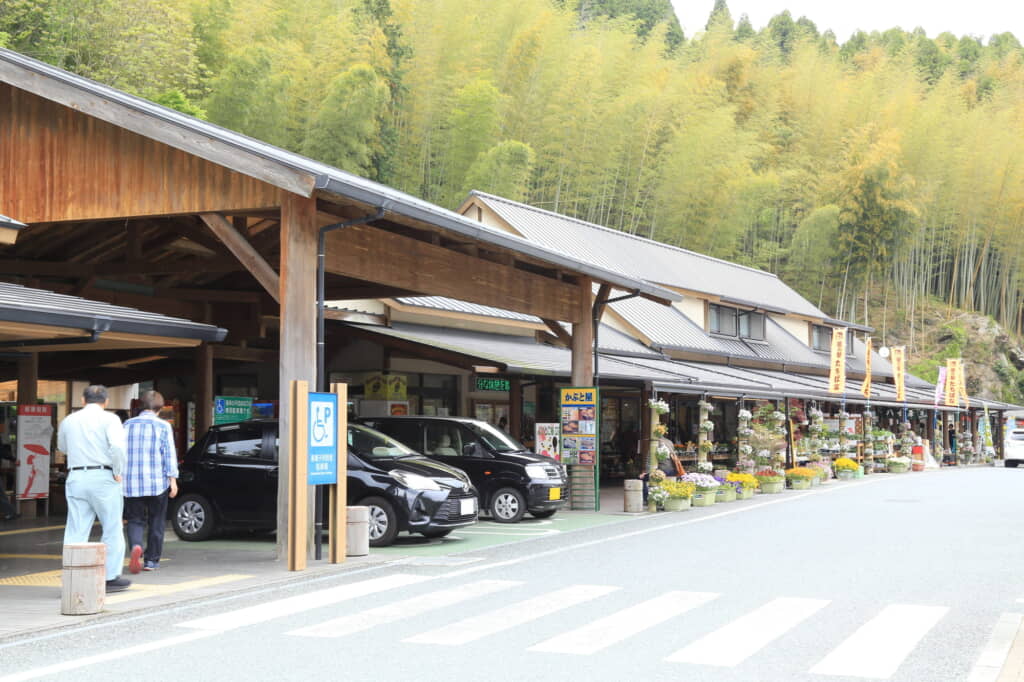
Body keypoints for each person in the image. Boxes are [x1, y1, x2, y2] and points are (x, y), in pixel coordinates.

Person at [58, 385, 130, 593]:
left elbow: (62, 447)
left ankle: (72, 578)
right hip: (103, 476)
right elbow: (117, 447)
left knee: (76, 529)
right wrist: (117, 470)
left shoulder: (69, 420)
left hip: (76, 476)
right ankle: (109, 577)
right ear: (106, 401)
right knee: (112, 527)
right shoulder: (111, 419)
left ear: (83, 400)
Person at [123, 390, 178, 572]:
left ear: (141, 405)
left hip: (131, 483)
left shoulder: (127, 425)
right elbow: (169, 454)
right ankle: (151, 561)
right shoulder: (163, 426)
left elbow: (118, 452)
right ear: (160, 408)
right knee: (157, 521)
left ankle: (136, 546)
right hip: (157, 483)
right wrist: (173, 480)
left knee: (134, 519)